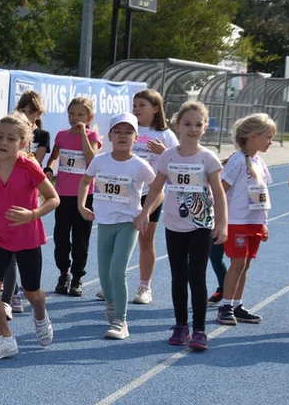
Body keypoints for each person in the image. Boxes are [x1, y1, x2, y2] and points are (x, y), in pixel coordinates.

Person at [0, 112, 59, 361]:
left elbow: (53, 199)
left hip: (27, 239)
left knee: (32, 293)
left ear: (23, 144)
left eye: (11, 139)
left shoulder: (29, 167)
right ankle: (6, 338)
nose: (3, 142)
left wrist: (32, 214)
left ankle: (40, 315)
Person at [137, 102, 227, 351]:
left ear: (205, 127)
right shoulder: (168, 156)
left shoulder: (208, 158)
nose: (193, 129)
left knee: (196, 276)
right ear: (178, 126)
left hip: (200, 225)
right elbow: (156, 188)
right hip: (174, 224)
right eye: (188, 124)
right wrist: (144, 212)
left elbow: (219, 194)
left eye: (198, 124)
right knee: (178, 276)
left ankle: (199, 329)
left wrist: (222, 223)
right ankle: (180, 325)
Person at [79, 113, 155, 340]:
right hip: (104, 222)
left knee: (117, 271)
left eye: (128, 132)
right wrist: (82, 206)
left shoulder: (139, 165)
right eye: (118, 132)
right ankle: (112, 308)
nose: (123, 136)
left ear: (136, 137)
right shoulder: (100, 160)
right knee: (104, 274)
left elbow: (158, 189)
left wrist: (144, 212)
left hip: (128, 223)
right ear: (110, 135)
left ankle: (121, 321)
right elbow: (85, 181)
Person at [218, 114, 277, 327]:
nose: (271, 142)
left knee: (246, 265)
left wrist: (264, 222)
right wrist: (220, 220)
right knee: (238, 263)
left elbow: (263, 195)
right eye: (268, 137)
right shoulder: (236, 161)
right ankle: (225, 306)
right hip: (236, 221)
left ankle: (237, 304)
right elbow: (220, 190)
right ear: (253, 137)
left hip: (254, 222)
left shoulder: (259, 162)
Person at [0, 90, 51, 314]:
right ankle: (10, 296)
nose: (27, 115)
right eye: (24, 110)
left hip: (28, 196)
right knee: (6, 250)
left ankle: (25, 293)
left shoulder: (42, 135)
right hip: (6, 197)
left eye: (32, 111)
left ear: (39, 112)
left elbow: (36, 166)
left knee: (24, 252)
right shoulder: (11, 129)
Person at [48, 96, 101, 297]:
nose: (75, 118)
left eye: (80, 114)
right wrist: (49, 169)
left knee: (81, 240)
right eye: (71, 114)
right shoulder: (61, 135)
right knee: (61, 238)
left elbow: (92, 160)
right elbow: (54, 156)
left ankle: (78, 278)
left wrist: (84, 136)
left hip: (85, 197)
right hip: (62, 195)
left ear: (89, 117)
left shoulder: (93, 136)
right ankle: (64, 274)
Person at [130, 89, 178, 304]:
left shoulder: (165, 135)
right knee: (118, 239)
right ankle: (114, 282)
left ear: (156, 108)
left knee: (145, 240)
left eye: (142, 105)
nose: (136, 109)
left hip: (151, 194)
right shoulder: (128, 129)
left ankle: (144, 287)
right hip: (125, 191)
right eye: (135, 105)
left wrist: (164, 152)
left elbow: (179, 161)